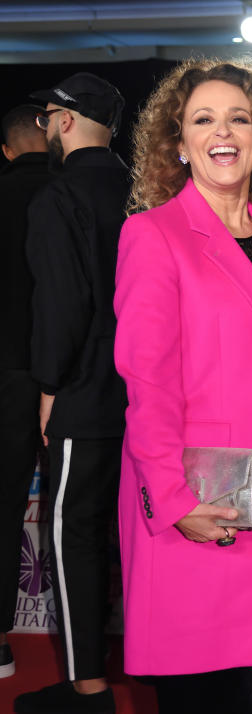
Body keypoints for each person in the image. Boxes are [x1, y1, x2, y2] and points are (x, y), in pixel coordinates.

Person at [112, 59, 252, 713]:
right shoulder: (152, 235)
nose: (223, 132)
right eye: (203, 119)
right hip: (201, 506)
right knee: (206, 694)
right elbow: (146, 383)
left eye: (240, 118)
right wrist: (174, 501)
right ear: (178, 141)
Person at [15, 73, 129, 714]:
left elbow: (61, 304)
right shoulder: (147, 194)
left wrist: (49, 385)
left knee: (73, 537)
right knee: (139, 539)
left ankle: (89, 689)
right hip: (151, 399)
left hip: (84, 398)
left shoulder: (60, 197)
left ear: (60, 121)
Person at [0, 103, 50, 681]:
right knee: (84, 514)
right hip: (79, 379)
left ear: (6, 150)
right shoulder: (78, 196)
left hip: (7, 373)